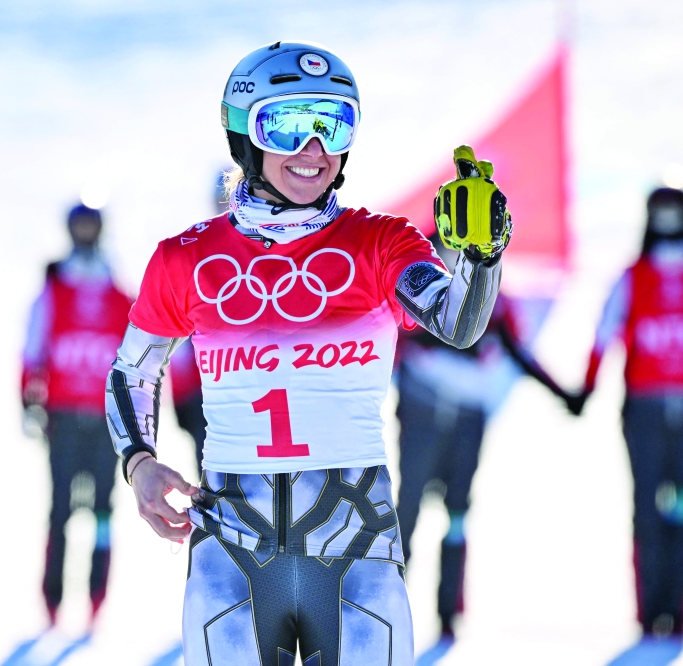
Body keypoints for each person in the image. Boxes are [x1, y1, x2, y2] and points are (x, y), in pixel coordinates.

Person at [104, 42, 511, 665]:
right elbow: (134, 368)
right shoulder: (185, 257)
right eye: (288, 125)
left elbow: (457, 323)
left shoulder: (381, 241)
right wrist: (139, 464)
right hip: (231, 552)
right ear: (244, 135)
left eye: (333, 123)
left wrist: (480, 256)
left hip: (358, 550)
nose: (314, 149)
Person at [571, 186, 683, 638]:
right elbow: (604, 331)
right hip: (644, 409)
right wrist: (586, 387)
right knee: (647, 508)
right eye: (660, 212)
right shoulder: (633, 276)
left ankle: (678, 613)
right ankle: (649, 616)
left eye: (674, 211)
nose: (667, 220)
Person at [395, 233, 574, 642]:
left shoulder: (492, 297)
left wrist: (564, 392)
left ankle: (447, 617)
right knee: (407, 510)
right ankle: (391, 610)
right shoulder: (411, 279)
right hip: (422, 411)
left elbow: (516, 350)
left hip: (468, 419)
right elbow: (381, 345)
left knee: (457, 511)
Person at [21, 204, 133, 626]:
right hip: (63, 414)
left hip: (105, 421)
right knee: (60, 509)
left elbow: (139, 358)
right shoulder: (55, 285)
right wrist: (28, 401)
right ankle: (52, 599)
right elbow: (33, 345)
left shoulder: (119, 290)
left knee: (104, 511)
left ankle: (95, 596)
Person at [166, 172, 229, 474]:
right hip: (206, 393)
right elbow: (179, 333)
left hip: (262, 387)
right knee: (211, 475)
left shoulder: (279, 248)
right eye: (223, 198)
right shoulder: (198, 254)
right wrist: (182, 395)